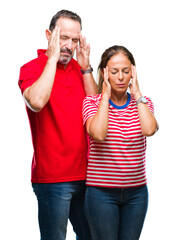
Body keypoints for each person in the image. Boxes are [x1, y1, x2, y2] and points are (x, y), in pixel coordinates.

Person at [18, 10, 97, 240]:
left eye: (74, 40)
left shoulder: (78, 69)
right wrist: (52, 59)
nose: (69, 46)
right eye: (63, 38)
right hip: (53, 180)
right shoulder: (31, 68)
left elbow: (95, 109)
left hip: (88, 175)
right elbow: (36, 102)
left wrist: (85, 69)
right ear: (48, 35)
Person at [82, 45, 159, 240]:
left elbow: (149, 130)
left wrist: (137, 92)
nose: (121, 77)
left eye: (126, 71)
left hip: (137, 194)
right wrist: (105, 95)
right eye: (114, 72)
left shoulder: (143, 102)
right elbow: (98, 133)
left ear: (133, 72)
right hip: (101, 194)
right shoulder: (92, 102)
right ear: (104, 73)